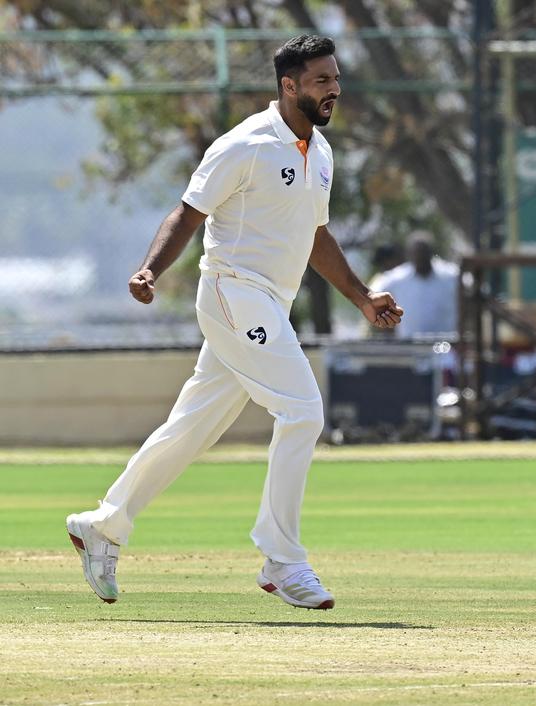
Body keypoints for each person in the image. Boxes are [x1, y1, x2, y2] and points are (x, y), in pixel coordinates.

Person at [65, 35, 404, 610]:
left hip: (268, 303)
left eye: (336, 79)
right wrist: (149, 270)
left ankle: (103, 522)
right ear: (289, 86)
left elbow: (314, 236)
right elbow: (187, 213)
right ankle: (282, 558)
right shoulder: (243, 144)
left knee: (191, 428)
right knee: (302, 410)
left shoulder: (318, 152)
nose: (335, 90)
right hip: (231, 293)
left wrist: (363, 296)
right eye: (322, 81)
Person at [368, 234, 459, 340]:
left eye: (423, 252)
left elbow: (470, 292)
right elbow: (373, 294)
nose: (420, 257)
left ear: (430, 253)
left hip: (446, 345)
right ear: (410, 255)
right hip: (409, 347)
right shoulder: (397, 278)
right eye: (417, 253)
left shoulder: (451, 276)